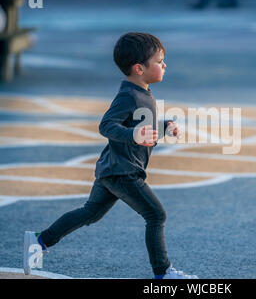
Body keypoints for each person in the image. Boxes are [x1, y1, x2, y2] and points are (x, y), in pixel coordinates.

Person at [23, 32, 198, 279]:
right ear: (139, 68)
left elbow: (139, 123)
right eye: (159, 61)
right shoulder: (128, 95)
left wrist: (165, 125)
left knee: (89, 214)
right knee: (156, 215)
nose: (164, 65)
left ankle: (40, 241)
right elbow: (106, 125)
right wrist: (133, 136)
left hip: (112, 169)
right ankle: (163, 273)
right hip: (123, 172)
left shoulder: (142, 92)